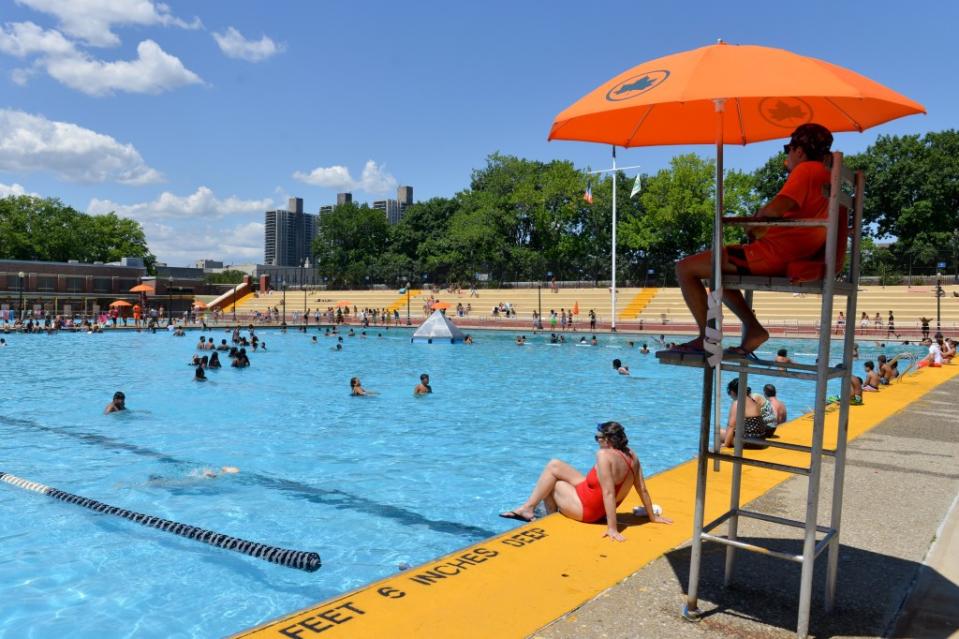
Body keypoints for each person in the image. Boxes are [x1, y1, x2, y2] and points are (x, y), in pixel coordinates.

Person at [672, 123, 835, 358]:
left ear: (799, 150)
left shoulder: (807, 170)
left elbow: (773, 211)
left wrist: (754, 223)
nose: (787, 155)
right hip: (794, 253)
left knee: (685, 267)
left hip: (773, 255)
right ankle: (754, 329)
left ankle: (706, 337)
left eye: (787, 149)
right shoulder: (827, 175)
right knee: (719, 274)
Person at [499, 422, 671, 539]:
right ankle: (528, 507)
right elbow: (642, 488)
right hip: (591, 497)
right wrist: (652, 517)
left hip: (589, 510)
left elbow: (609, 493)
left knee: (554, 484)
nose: (596, 441)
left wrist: (612, 528)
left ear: (608, 440)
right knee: (554, 465)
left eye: (598, 438)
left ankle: (546, 516)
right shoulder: (631, 455)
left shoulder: (604, 456)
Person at [720, 379, 768, 447]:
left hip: (748, 442)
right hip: (761, 440)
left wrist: (726, 444)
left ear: (732, 392)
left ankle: (718, 454)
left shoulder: (737, 403)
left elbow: (731, 426)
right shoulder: (753, 401)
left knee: (719, 433)